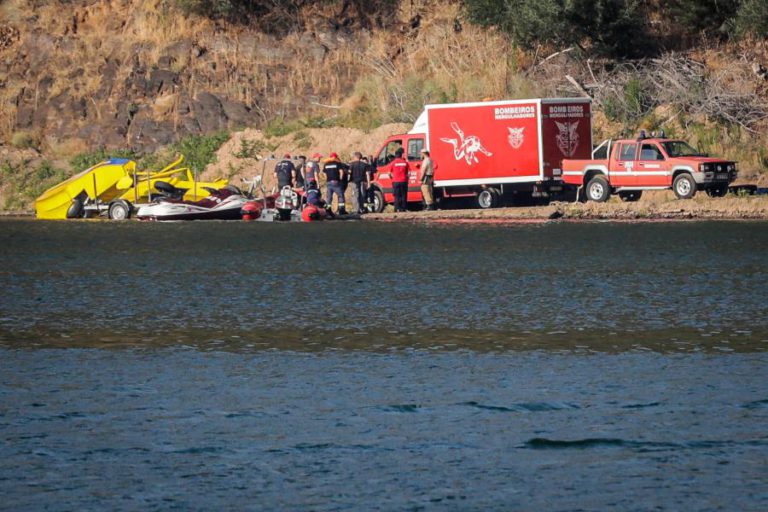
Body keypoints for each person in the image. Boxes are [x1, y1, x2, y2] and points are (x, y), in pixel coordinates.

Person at [390, 147, 410, 212]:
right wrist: (407, 179)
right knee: (404, 195)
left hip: (395, 181)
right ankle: (403, 208)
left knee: (397, 195)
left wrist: (392, 178)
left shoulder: (393, 163)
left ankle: (397, 208)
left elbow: (389, 173)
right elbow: (409, 173)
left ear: (395, 156)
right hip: (404, 181)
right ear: (401, 155)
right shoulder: (405, 162)